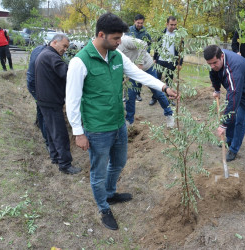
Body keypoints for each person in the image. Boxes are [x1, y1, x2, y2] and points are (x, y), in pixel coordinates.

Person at [65, 13, 178, 231]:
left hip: (118, 123)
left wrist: (162, 87)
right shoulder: (80, 61)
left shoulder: (116, 56)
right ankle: (103, 207)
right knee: (98, 171)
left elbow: (138, 73)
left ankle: (110, 193)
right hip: (97, 129)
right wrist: (78, 132)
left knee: (119, 162)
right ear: (101, 35)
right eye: (116, 39)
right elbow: (72, 100)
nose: (120, 43)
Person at [203, 45, 245, 162]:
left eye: (214, 63)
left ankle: (234, 149)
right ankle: (229, 140)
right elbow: (214, 74)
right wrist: (217, 89)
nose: (212, 66)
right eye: (209, 64)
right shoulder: (216, 61)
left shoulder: (233, 69)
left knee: (240, 119)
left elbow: (234, 96)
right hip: (239, 83)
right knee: (230, 113)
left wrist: (223, 124)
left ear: (221, 56)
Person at [35, 34, 82, 175]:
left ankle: (55, 157)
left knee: (51, 130)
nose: (65, 49)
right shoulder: (52, 57)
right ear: (55, 42)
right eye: (64, 46)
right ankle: (65, 165)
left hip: (44, 100)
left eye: (67, 47)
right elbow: (68, 73)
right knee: (60, 133)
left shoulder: (44, 53)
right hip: (51, 101)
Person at [118, 34, 175, 127]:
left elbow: (143, 44)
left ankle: (169, 114)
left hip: (147, 67)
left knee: (157, 92)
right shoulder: (111, 48)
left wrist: (140, 62)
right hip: (133, 72)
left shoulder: (125, 40)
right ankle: (129, 121)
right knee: (129, 95)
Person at [151, 16, 183, 106]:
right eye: (171, 25)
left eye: (175, 25)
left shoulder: (178, 35)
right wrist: (154, 58)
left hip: (171, 62)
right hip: (160, 61)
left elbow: (181, 50)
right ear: (167, 24)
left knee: (169, 81)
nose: (173, 27)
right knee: (157, 80)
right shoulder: (161, 34)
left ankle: (169, 99)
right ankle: (154, 98)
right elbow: (157, 47)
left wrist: (179, 63)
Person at [27, 44, 48, 151]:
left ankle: (39, 125)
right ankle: (48, 142)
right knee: (44, 111)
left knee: (40, 108)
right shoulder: (46, 55)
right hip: (35, 85)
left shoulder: (38, 49)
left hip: (32, 82)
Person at [128, 14, 152, 102]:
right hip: (131, 57)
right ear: (134, 21)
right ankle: (126, 95)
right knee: (129, 76)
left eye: (141, 23)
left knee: (139, 76)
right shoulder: (129, 30)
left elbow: (149, 43)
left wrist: (146, 53)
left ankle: (138, 94)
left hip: (141, 58)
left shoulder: (145, 32)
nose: (139, 25)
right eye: (138, 23)